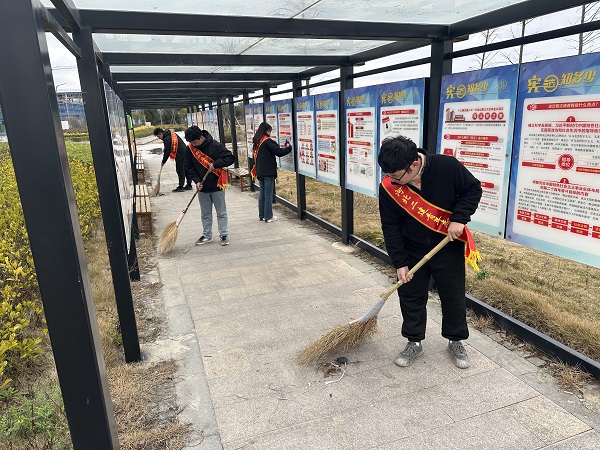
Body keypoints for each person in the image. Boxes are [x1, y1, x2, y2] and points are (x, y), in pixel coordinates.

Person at [377, 136, 482, 369]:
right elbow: (390, 226)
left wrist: (459, 218)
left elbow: (473, 190)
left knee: (453, 295)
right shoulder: (390, 186)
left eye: (395, 176)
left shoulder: (447, 166)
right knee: (411, 295)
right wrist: (399, 262)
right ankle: (413, 341)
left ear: (414, 165)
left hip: (447, 245)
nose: (391, 180)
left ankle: (455, 340)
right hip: (411, 248)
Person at [184, 126, 234, 246]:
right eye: (191, 142)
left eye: (195, 142)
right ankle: (207, 235)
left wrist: (216, 164)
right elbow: (188, 168)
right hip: (202, 187)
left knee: (221, 212)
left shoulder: (215, 145)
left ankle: (223, 235)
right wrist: (196, 181)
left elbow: (230, 158)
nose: (193, 145)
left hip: (217, 185)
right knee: (205, 214)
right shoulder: (190, 149)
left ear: (201, 137)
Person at [251, 122, 292, 222]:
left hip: (260, 171)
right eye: (269, 131)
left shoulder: (257, 141)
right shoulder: (267, 141)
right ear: (266, 131)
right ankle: (268, 217)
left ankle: (262, 215)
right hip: (268, 172)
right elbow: (279, 152)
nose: (270, 133)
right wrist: (289, 148)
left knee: (262, 194)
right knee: (268, 194)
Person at [154, 127, 193, 192]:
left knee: (180, 170)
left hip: (180, 154)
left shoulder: (167, 139)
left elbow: (167, 151)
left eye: (158, 136)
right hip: (185, 152)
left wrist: (163, 161)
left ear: (161, 134)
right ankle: (189, 185)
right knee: (186, 169)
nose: (159, 138)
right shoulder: (170, 134)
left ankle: (181, 186)